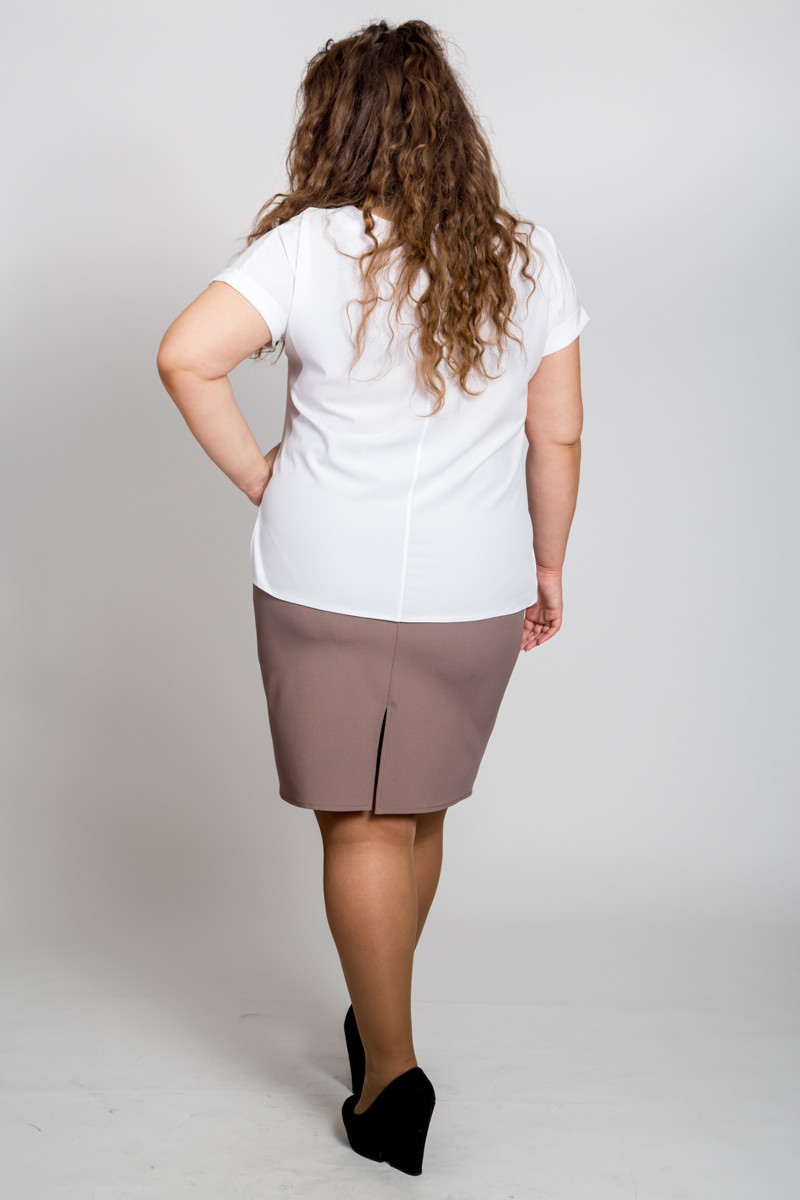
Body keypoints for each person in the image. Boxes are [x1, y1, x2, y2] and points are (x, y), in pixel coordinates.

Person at [156, 17, 588, 1177]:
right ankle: (382, 1013)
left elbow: (184, 355)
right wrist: (548, 564)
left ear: (333, 127)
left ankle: (390, 1077)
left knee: (360, 823)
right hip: (474, 584)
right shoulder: (528, 256)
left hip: (321, 577)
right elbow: (556, 432)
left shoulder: (305, 249)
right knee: (418, 814)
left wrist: (262, 476)